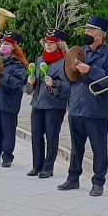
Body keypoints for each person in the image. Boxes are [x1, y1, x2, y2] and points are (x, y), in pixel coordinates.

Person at [58, 16, 108, 197]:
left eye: (90, 30)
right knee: (76, 146)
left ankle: (98, 182)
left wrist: (91, 70)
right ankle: (73, 178)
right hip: (77, 105)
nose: (86, 33)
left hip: (97, 109)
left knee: (98, 147)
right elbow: (69, 75)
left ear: (100, 35)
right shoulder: (81, 50)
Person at [26, 29, 71, 179]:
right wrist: (31, 83)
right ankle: (36, 166)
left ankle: (48, 167)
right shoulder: (40, 60)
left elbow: (69, 86)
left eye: (52, 42)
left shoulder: (65, 61)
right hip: (38, 102)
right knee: (36, 134)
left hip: (55, 104)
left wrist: (54, 84)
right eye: (47, 42)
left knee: (52, 135)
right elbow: (34, 85)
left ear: (59, 44)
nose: (48, 45)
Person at [0, 31, 28, 163]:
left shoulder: (18, 64)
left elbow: (18, 82)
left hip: (8, 101)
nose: (3, 46)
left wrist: (1, 76)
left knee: (8, 129)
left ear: (14, 47)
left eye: (7, 44)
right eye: (2, 43)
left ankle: (7, 156)